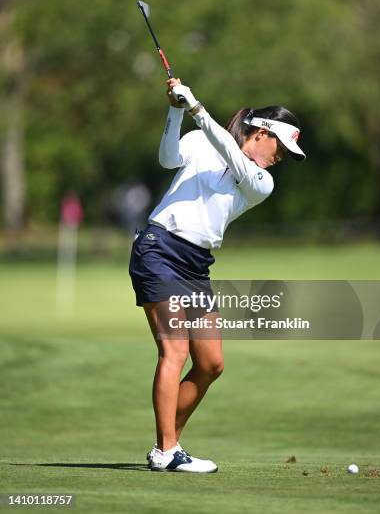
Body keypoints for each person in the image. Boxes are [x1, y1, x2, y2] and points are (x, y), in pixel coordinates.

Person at [129, 78, 306, 473]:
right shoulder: (200, 140)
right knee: (174, 351)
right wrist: (177, 111)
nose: (281, 158)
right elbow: (167, 158)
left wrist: (197, 108)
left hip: (196, 264)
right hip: (159, 249)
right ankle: (167, 451)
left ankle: (166, 442)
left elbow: (232, 151)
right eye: (281, 148)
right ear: (262, 133)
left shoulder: (262, 181)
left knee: (211, 364)